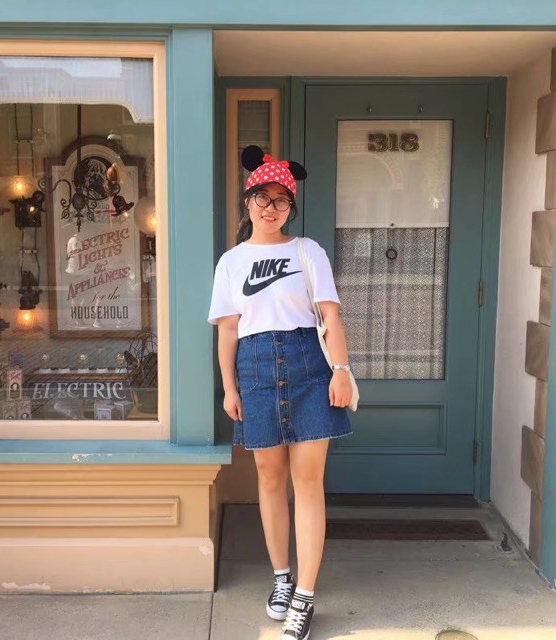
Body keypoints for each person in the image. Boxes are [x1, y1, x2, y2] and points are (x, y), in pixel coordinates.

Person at [207, 145, 355, 640]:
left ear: (291, 206)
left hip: (309, 366)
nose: (271, 208)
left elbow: (329, 315)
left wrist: (341, 370)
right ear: (247, 201)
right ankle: (282, 578)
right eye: (262, 198)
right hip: (253, 369)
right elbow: (228, 330)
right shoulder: (231, 262)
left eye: (281, 200)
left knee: (307, 482)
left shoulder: (308, 251)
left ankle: (305, 597)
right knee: (270, 478)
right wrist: (229, 387)